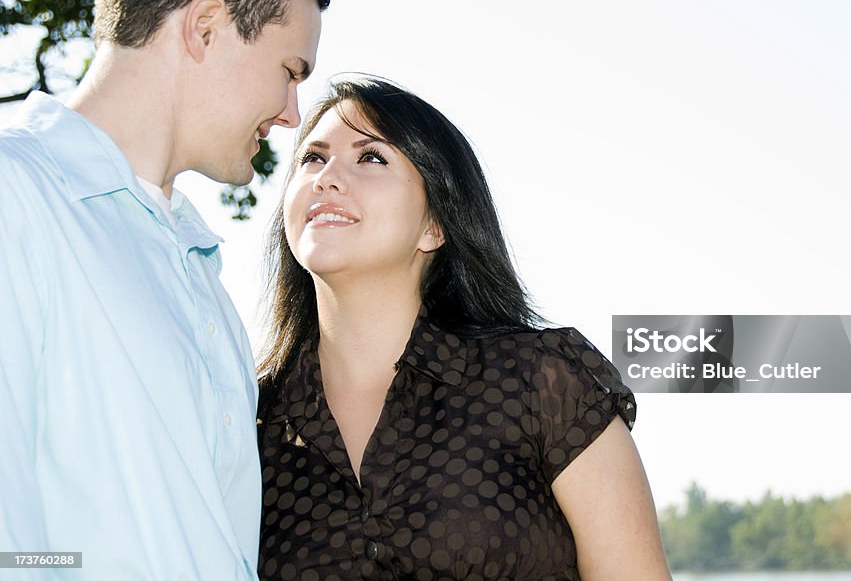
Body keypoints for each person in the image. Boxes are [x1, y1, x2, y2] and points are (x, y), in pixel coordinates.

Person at [0, 0, 331, 578]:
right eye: (290, 71)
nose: (294, 113)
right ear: (207, 26)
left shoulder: (199, 267)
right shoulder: (17, 195)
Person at [256, 75, 671, 580]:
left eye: (371, 157)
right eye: (312, 158)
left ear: (434, 226)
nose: (326, 177)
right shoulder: (245, 418)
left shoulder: (543, 381)